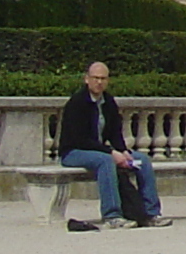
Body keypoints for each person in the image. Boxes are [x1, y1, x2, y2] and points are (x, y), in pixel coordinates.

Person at [57, 61, 169, 228]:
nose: (99, 82)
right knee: (106, 162)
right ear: (86, 79)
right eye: (95, 78)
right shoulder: (77, 103)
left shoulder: (108, 102)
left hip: (99, 150)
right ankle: (112, 215)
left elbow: (115, 132)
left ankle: (151, 213)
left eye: (103, 78)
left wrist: (123, 151)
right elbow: (80, 139)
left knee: (142, 161)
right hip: (74, 152)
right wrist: (111, 152)